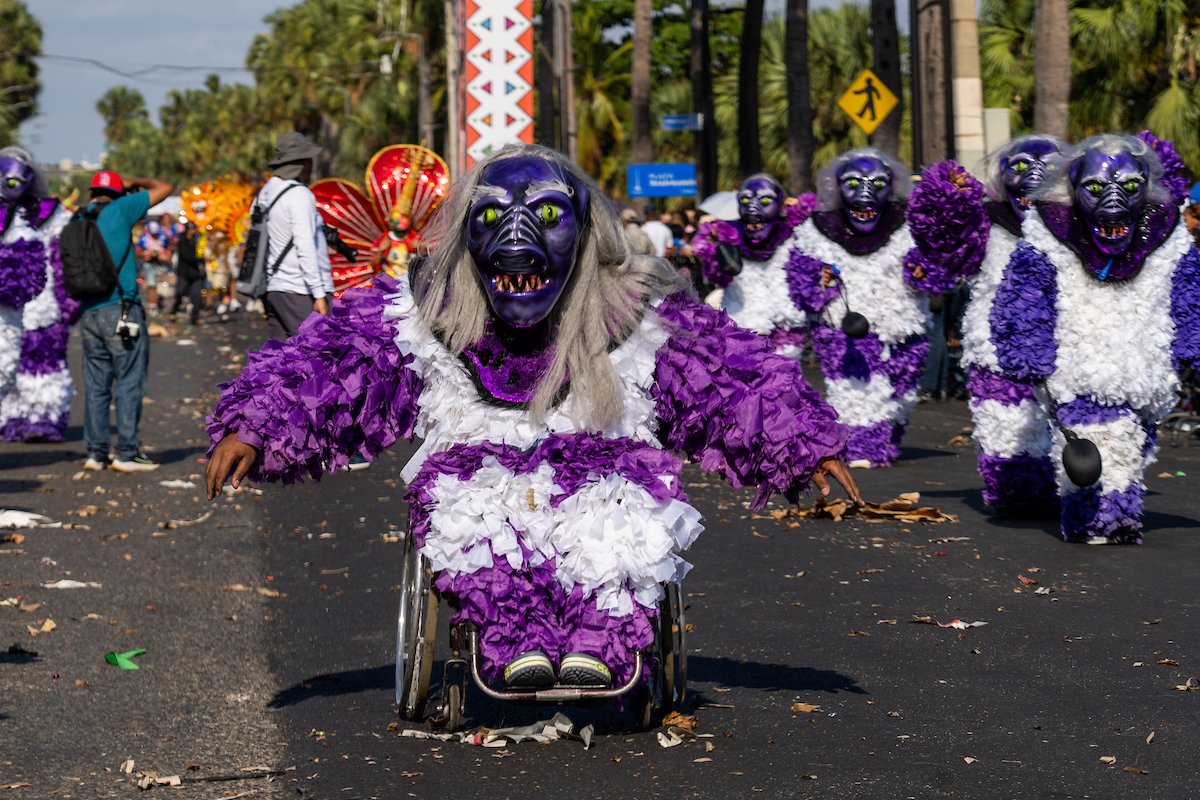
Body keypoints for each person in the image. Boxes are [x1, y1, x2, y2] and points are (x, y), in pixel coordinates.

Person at [206, 144, 861, 692]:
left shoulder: (636, 310)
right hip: (479, 456)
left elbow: (729, 373)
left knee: (623, 503)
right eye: (493, 217)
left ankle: (597, 637)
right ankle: (514, 634)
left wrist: (803, 441)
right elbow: (336, 361)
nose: (517, 236)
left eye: (546, 216)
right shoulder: (425, 308)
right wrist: (257, 425)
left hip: (599, 454)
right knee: (479, 506)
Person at [990, 132, 1200, 544]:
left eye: (1130, 187)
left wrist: (1191, 342)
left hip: (1147, 368)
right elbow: (1023, 294)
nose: (1114, 199)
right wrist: (1026, 346)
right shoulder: (1047, 233)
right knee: (1100, 442)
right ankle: (1099, 517)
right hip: (1079, 364)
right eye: (1096, 188)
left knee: (1131, 443)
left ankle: (1107, 511)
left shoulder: (1168, 234)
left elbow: (1190, 292)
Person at [907, 135, 1065, 516]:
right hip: (996, 351)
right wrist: (943, 191)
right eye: (1021, 167)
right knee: (1008, 429)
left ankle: (1074, 491)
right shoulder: (983, 223)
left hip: (1069, 348)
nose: (1033, 177)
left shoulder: (1078, 226)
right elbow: (940, 244)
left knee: (1071, 428)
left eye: (1049, 169)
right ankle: (1020, 493)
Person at [784, 148, 955, 468]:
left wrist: (921, 271)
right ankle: (859, 444)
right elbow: (799, 280)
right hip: (842, 330)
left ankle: (883, 435)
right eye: (853, 182)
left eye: (877, 183)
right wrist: (818, 279)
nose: (865, 192)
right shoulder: (816, 230)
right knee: (854, 390)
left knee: (900, 396)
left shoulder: (908, 226)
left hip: (902, 328)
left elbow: (937, 269)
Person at [79, 169, 173, 472]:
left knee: (96, 386)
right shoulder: (120, 208)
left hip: (89, 312)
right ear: (120, 192)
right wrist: (137, 183)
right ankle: (127, 452)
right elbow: (166, 184)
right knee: (129, 381)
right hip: (121, 310)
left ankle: (96, 453)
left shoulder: (79, 218)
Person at [0, 146, 79, 441]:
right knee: (8, 366)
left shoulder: (53, 214)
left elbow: (63, 261)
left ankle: (42, 420)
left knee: (42, 364)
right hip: (9, 308)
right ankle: (12, 419)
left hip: (43, 305)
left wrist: (67, 303)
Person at [691, 174, 817, 357]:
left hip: (787, 332)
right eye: (745, 200)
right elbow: (718, 277)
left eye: (765, 200)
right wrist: (714, 249)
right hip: (742, 330)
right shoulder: (727, 236)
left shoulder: (796, 233)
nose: (753, 207)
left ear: (782, 205)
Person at [254, 131, 332, 341]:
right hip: (300, 290)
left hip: (275, 288)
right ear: (302, 163)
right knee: (314, 357)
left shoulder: (266, 191)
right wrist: (318, 294)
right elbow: (304, 245)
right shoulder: (299, 194)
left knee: (277, 361)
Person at [171, 222, 204, 325]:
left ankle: (195, 318)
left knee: (197, 297)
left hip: (195, 274)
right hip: (184, 273)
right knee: (179, 293)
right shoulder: (182, 241)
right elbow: (187, 256)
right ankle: (174, 311)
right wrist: (200, 259)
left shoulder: (198, 240)